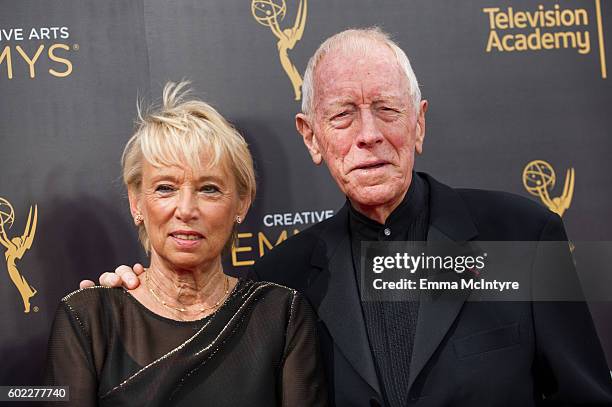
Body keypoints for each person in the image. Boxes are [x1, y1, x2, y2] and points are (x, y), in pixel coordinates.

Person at [84, 29, 612, 406]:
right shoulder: (280, 282)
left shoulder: (521, 236)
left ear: (419, 123)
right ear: (312, 137)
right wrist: (143, 298)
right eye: (342, 114)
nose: (368, 135)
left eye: (387, 108)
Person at [46, 81, 327, 407]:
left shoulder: (281, 315)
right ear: (137, 202)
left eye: (208, 189)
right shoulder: (88, 319)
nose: (186, 210)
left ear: (242, 203)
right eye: (166, 188)